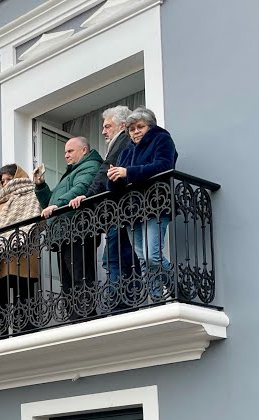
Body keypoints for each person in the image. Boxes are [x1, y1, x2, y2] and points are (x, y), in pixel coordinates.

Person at [67, 106, 140, 295]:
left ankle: (120, 302)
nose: (103, 131)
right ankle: (123, 300)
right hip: (117, 210)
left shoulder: (123, 141)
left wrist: (88, 195)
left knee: (115, 258)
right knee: (118, 257)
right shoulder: (121, 142)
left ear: (122, 126)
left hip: (120, 210)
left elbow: (106, 171)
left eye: (108, 126)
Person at [107, 107, 178, 298]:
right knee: (142, 259)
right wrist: (113, 176)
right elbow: (116, 186)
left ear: (150, 126)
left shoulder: (162, 139)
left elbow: (164, 165)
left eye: (140, 127)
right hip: (133, 210)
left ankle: (178, 288)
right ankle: (156, 298)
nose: (136, 131)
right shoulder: (127, 151)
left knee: (151, 255)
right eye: (132, 129)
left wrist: (128, 172)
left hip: (156, 203)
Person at [34, 137, 103, 305]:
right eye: (65, 152)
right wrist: (41, 186)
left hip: (79, 229)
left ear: (84, 150)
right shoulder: (70, 173)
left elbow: (81, 188)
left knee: (80, 278)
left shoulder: (91, 166)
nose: (66, 155)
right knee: (67, 283)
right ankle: (75, 319)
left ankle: (86, 317)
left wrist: (57, 204)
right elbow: (50, 203)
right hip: (64, 232)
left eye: (70, 151)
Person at [0, 164, 42, 335]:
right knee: (0, 295)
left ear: (17, 177)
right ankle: (0, 333)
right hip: (1, 255)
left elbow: (34, 218)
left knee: (22, 291)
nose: (5, 184)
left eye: (9, 179)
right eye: (2, 181)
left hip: (22, 253)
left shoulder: (29, 193)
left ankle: (25, 330)